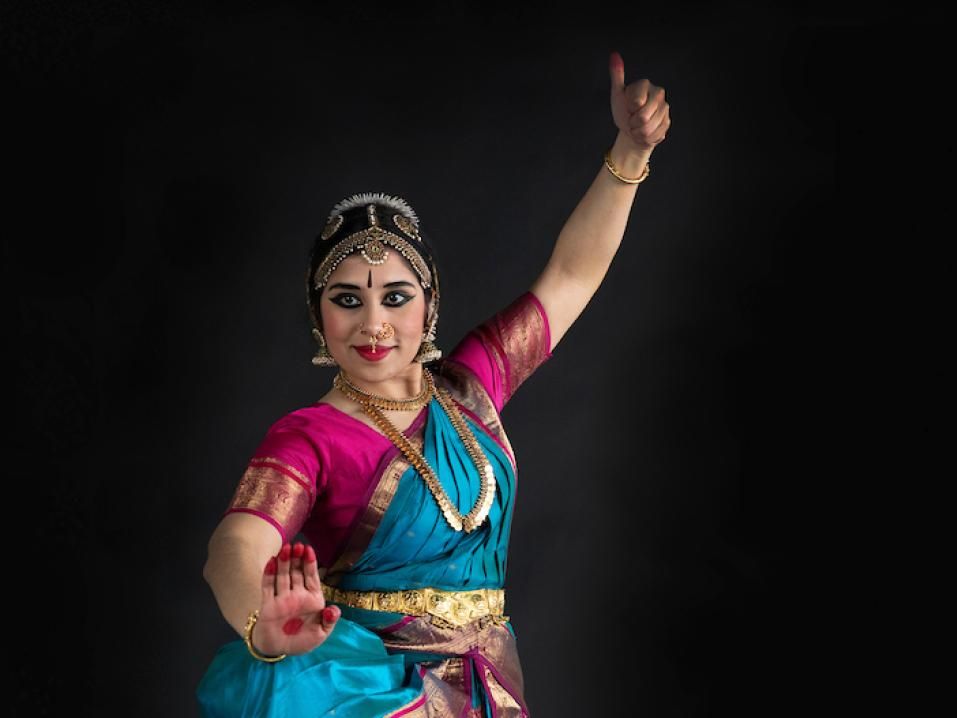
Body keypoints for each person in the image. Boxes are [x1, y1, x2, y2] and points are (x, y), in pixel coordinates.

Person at [197, 51, 670, 717]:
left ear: (429, 304)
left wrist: (627, 156)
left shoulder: (471, 384)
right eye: (346, 300)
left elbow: (570, 275)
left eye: (395, 297)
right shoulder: (310, 435)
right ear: (317, 314)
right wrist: (261, 625)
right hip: (376, 693)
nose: (373, 324)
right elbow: (236, 545)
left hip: (487, 684)